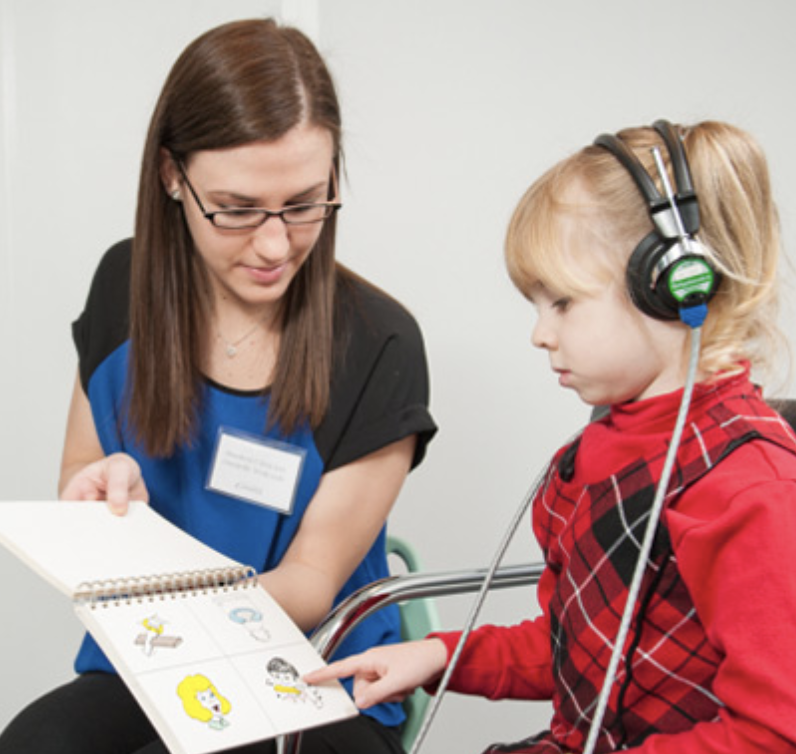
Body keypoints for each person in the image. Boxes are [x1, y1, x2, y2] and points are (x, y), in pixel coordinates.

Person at [0, 17, 436, 754]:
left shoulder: (378, 342)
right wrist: (95, 487)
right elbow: (79, 469)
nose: (275, 244)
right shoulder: (125, 286)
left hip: (316, 679)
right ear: (172, 176)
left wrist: (155, 612)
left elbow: (308, 583)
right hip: (149, 664)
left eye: (304, 203)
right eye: (236, 210)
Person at [307, 119, 796, 754]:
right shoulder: (594, 456)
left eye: (562, 303)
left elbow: (773, 731)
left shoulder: (749, 488)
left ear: (669, 289)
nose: (540, 333)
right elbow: (579, 648)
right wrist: (437, 655)